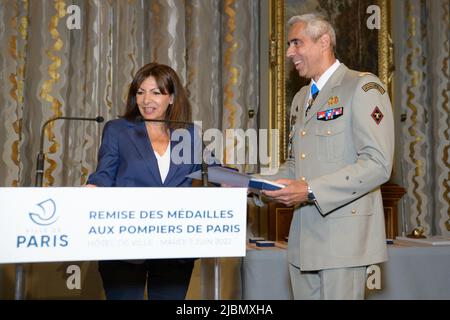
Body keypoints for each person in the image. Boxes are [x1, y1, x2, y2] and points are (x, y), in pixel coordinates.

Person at [259, 13, 394, 299]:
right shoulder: (301, 99)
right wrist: (253, 184)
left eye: (297, 43)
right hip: (302, 242)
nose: (289, 53)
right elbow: (297, 164)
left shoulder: (362, 87)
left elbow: (378, 164)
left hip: (343, 244)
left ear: (323, 42)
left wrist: (309, 190)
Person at [86, 62, 203, 300]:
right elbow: (104, 173)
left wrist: (243, 182)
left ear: (171, 98)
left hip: (175, 245)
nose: (146, 99)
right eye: (140, 92)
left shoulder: (188, 134)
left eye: (156, 92)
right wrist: (92, 188)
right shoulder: (118, 130)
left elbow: (213, 170)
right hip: (124, 244)